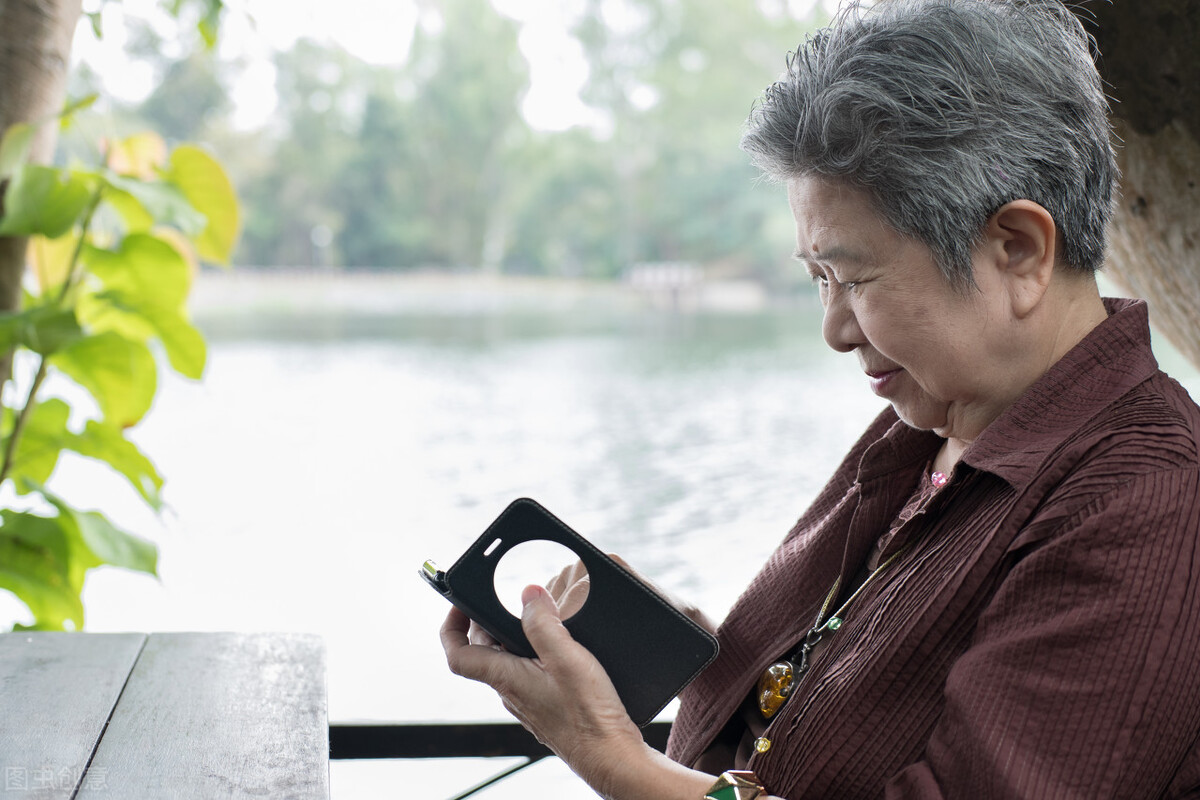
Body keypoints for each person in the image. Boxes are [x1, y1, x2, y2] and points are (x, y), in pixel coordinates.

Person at [440, 0, 1200, 797]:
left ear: (1018, 250)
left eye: (856, 278)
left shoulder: (1147, 500)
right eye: (817, 279)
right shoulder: (926, 423)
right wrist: (698, 654)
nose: (835, 329)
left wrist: (609, 755)